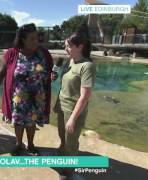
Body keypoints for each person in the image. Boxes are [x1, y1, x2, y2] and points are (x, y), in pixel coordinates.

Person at [0, 23, 54, 156]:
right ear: (23, 40)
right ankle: (18, 144)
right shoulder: (11, 54)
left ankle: (31, 145)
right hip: (19, 98)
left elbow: (51, 71)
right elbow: (1, 72)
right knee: (19, 122)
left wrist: (53, 75)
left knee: (32, 122)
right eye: (31, 38)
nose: (35, 41)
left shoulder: (43, 54)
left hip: (37, 98)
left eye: (36, 38)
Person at [54, 27, 96, 178]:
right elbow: (64, 84)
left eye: (69, 46)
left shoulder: (87, 66)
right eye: (65, 45)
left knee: (71, 143)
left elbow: (84, 96)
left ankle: (68, 171)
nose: (66, 48)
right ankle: (62, 155)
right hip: (61, 105)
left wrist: (72, 118)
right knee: (62, 136)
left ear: (80, 47)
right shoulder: (70, 61)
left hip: (73, 111)